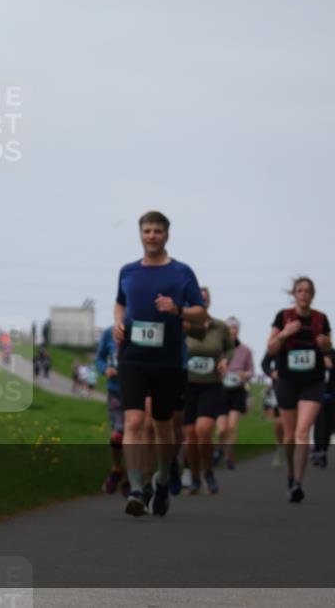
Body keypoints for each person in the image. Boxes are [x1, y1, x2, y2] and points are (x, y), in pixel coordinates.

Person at [113, 211, 205, 517]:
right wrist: (117, 324)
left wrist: (176, 308)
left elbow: (200, 313)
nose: (152, 236)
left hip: (168, 362)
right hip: (132, 357)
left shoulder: (182, 272)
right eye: (147, 231)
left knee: (164, 427)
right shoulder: (127, 271)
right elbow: (120, 302)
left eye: (157, 231)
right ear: (140, 234)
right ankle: (136, 487)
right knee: (135, 422)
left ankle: (163, 478)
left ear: (167, 235)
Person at [267, 276, 332, 503]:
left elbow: (328, 348)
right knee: (290, 436)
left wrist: (326, 346)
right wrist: (285, 333)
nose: (303, 294)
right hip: (287, 380)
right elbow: (271, 348)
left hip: (313, 381)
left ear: (312, 295)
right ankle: (290, 474)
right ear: (294, 294)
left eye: (307, 291)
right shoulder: (283, 316)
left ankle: (297, 483)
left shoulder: (321, 318)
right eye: (299, 290)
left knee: (303, 432)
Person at [182, 288, 234, 495]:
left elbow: (229, 348)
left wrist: (224, 361)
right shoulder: (183, 325)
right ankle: (194, 477)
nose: (202, 302)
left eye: (205, 299)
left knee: (203, 430)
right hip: (186, 386)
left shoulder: (220, 327)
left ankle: (209, 472)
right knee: (190, 435)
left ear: (209, 302)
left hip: (210, 385)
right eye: (198, 300)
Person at [215, 316, 254, 471]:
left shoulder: (245, 350)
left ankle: (229, 457)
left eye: (235, 329)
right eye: (229, 329)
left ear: (238, 331)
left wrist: (245, 375)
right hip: (221, 390)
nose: (232, 332)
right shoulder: (218, 348)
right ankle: (218, 449)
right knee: (222, 428)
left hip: (238, 390)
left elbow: (251, 370)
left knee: (232, 426)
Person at [96, 326, 129, 496]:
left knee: (135, 433)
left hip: (138, 390)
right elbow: (100, 358)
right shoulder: (109, 333)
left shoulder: (142, 330)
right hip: (115, 390)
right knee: (117, 434)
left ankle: (132, 477)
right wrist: (105, 369)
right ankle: (116, 469)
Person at [312, 348, 335, 468]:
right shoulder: (313, 353)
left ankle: (324, 451)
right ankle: (317, 450)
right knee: (319, 423)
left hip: (333, 396)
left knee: (329, 426)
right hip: (316, 395)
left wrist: (331, 366)